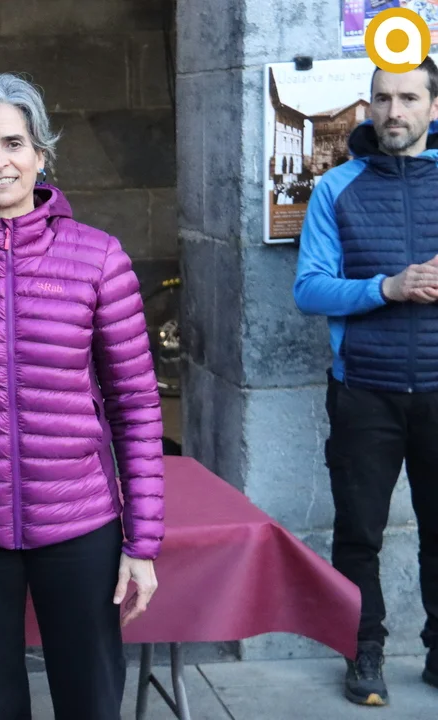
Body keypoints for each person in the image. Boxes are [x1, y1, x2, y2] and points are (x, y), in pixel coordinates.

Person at [0, 73, 165, 720]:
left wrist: (142, 543)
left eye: (13, 143)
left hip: (80, 522)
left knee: (90, 700)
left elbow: (135, 405)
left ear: (41, 153)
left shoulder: (98, 259)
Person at [294, 57, 438, 706]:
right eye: (382, 98)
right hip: (364, 393)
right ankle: (364, 651)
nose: (393, 111)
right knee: (358, 534)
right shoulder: (337, 188)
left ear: (433, 107)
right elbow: (309, 288)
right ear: (368, 106)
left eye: (408, 97)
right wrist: (388, 287)